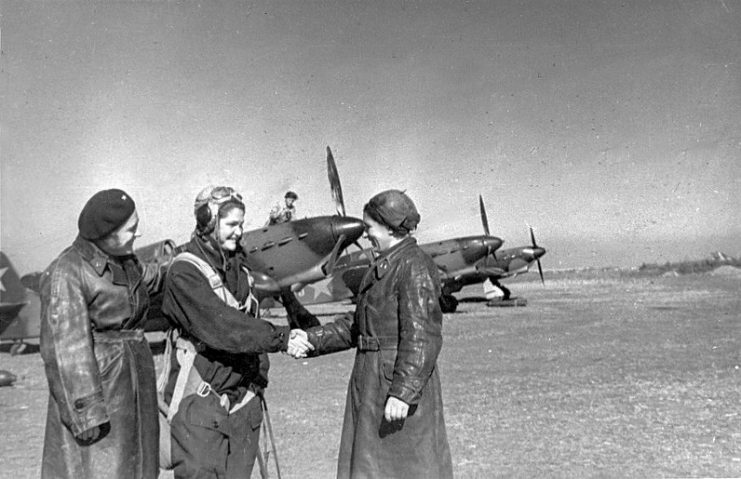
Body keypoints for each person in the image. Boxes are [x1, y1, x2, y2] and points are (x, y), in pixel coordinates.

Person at [282, 189, 453, 479]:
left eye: (369, 228)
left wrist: (403, 392)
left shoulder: (413, 266)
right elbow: (360, 324)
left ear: (388, 227)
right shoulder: (389, 264)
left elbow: (422, 335)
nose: (366, 236)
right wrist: (312, 339)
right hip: (374, 380)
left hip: (392, 384)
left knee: (404, 469)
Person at [159, 185, 313, 479]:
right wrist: (282, 338)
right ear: (208, 224)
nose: (239, 231)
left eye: (242, 224)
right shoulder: (184, 271)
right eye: (231, 225)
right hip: (201, 402)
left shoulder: (239, 268)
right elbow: (224, 326)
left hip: (243, 399)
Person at [39, 188, 167, 479]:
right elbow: (65, 351)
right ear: (107, 233)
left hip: (132, 383)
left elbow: (156, 277)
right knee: (105, 470)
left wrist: (190, 263)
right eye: (131, 229)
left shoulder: (126, 261)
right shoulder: (67, 271)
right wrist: (86, 413)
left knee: (141, 466)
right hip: (103, 391)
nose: (139, 233)